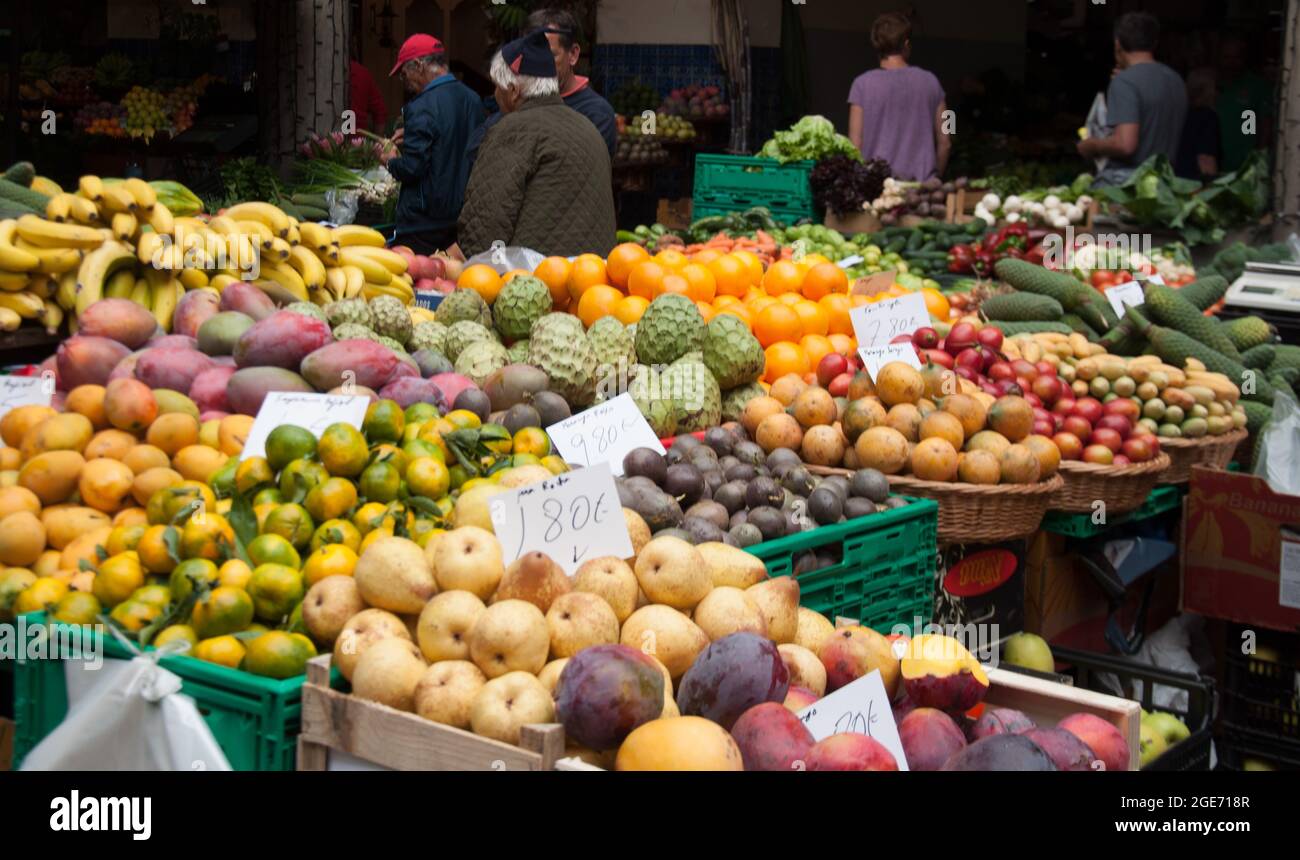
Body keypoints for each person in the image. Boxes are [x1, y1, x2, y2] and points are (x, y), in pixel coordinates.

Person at [458, 31, 616, 258]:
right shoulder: (587, 127)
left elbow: (485, 226)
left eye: (497, 86)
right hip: (594, 282)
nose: (494, 94)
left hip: (535, 284)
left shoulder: (512, 130)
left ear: (513, 92)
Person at [463, 7, 616, 169]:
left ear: (573, 54)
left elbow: (569, 174)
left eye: (550, 55)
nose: (539, 65)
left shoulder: (596, 113)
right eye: (531, 56)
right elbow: (474, 150)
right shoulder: (519, 100)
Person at [379, 34, 484, 255]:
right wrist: (413, 133)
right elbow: (454, 137)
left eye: (404, 74)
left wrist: (390, 162)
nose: (404, 81)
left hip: (423, 225)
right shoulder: (473, 99)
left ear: (418, 65)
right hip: (461, 218)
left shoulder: (422, 106)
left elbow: (413, 167)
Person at [1079, 13, 1186, 187]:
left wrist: (1091, 146)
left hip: (1128, 188)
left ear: (1117, 44)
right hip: (1164, 185)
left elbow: (1125, 144)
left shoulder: (1125, 82)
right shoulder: (1175, 79)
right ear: (1154, 43)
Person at [846, 11, 949, 181]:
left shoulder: (861, 85)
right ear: (906, 44)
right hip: (922, 191)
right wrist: (936, 177)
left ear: (876, 45)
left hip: (877, 191)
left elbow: (854, 144)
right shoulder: (932, 82)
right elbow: (946, 139)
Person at [1216, 33, 1274, 173]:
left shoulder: (1257, 87)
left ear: (1244, 58)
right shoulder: (1211, 84)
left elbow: (1265, 125)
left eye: (1236, 58)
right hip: (1215, 163)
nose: (1231, 62)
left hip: (1245, 165)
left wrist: (1258, 159)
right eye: (1226, 57)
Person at [1175, 68, 1221, 182]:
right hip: (1194, 182)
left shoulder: (1177, 112)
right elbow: (1205, 158)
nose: (1218, 93)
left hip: (1175, 177)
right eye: (1216, 88)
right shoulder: (1207, 117)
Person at [349, 56, 387, 132]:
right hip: (357, 140)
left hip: (325, 138)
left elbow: (380, 111)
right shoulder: (361, 72)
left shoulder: (361, 72)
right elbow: (380, 112)